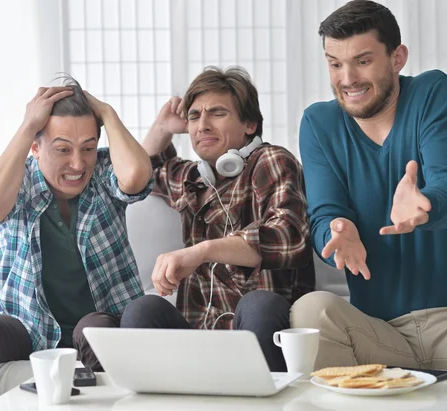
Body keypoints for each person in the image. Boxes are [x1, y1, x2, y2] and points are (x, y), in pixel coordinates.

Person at [291, 1, 447, 410]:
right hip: (377, 331)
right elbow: (322, 215)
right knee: (312, 310)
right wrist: (335, 230)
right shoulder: (319, 123)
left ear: (397, 57)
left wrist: (426, 205)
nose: (347, 79)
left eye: (362, 61)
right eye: (335, 64)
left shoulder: (434, 92)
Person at [0, 77, 153, 411]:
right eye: (62, 149)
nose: (77, 163)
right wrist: (29, 124)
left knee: (93, 331)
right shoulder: (18, 178)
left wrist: (108, 114)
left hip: (98, 319)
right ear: (36, 147)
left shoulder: (103, 173)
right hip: (27, 324)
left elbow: (136, 179)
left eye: (87, 147)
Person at [121, 66, 315, 371]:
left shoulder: (271, 160)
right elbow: (140, 172)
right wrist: (162, 127)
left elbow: (289, 237)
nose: (202, 125)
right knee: (141, 310)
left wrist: (202, 251)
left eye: (217, 113)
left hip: (259, 332)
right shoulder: (193, 178)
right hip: (197, 338)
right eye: (195, 116)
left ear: (250, 124)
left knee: (258, 304)